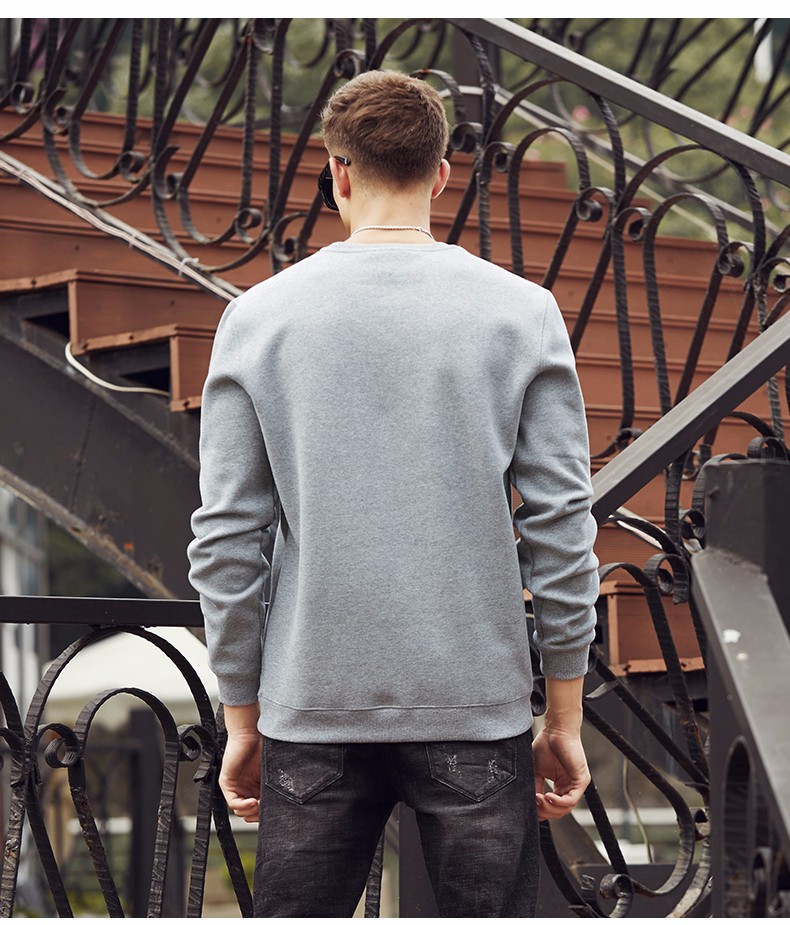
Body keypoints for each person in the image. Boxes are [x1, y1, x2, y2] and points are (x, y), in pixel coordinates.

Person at [188, 69, 599, 918]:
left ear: (337, 172)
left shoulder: (259, 317)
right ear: (442, 173)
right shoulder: (521, 313)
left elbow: (227, 539)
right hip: (476, 708)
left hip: (312, 707)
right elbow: (560, 525)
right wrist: (563, 711)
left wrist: (242, 713)